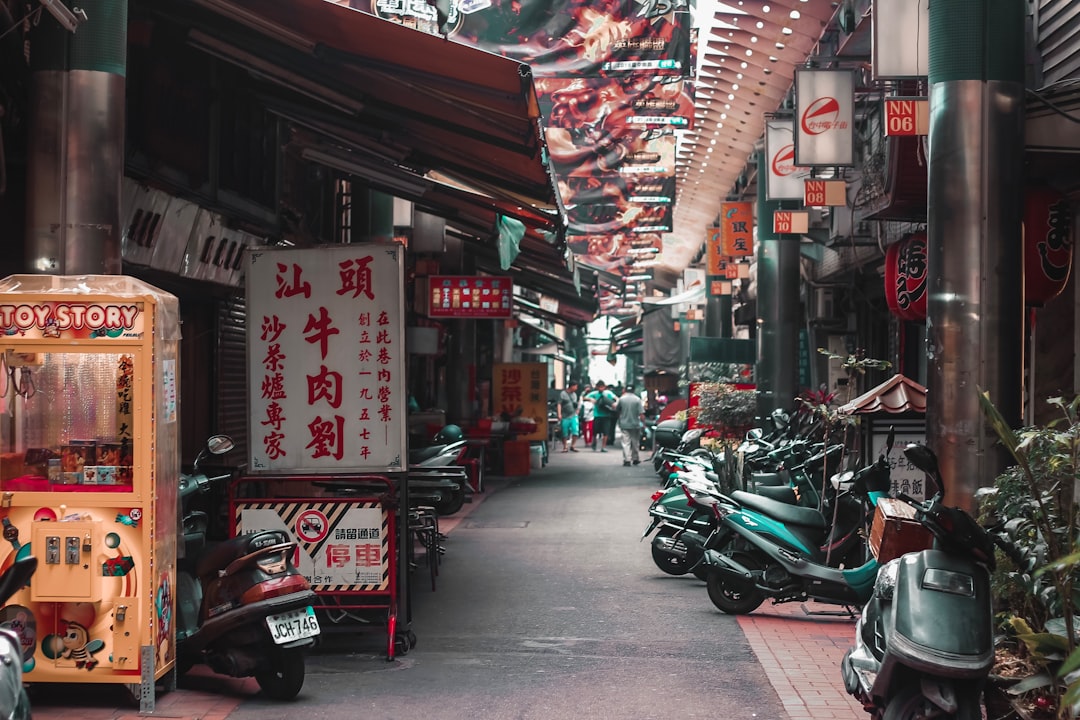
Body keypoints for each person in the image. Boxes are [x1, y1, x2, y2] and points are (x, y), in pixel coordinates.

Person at [616, 384, 645, 466]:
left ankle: (627, 460)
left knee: (626, 442)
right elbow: (641, 413)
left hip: (624, 424)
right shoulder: (637, 399)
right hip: (635, 424)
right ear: (634, 390)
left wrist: (619, 420)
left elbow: (617, 410)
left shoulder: (621, 399)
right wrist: (643, 424)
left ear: (626, 390)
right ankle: (635, 458)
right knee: (635, 442)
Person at [586, 380, 619, 452]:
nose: (601, 388)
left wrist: (614, 404)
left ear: (604, 387)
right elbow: (584, 397)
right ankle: (594, 443)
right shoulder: (594, 394)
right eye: (599, 387)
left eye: (602, 387)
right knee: (595, 432)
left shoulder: (608, 393)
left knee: (606, 432)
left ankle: (603, 447)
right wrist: (590, 399)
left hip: (606, 415)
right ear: (597, 387)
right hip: (597, 415)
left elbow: (616, 398)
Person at [558, 380, 581, 452]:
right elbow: (559, 404)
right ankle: (565, 446)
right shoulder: (563, 394)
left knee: (575, 431)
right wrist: (559, 414)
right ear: (572, 386)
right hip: (565, 416)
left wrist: (577, 410)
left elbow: (576, 404)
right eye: (576, 386)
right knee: (564, 432)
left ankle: (573, 446)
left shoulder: (574, 395)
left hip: (573, 415)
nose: (576, 388)